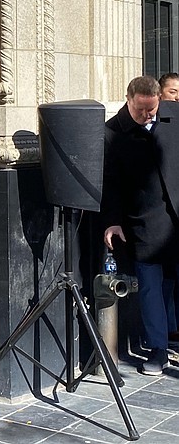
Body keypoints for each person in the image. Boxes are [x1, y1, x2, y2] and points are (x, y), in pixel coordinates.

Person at [102, 75, 179, 375]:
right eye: (141, 110)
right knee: (150, 286)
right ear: (128, 100)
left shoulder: (173, 115)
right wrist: (112, 222)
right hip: (144, 220)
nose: (148, 116)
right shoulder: (112, 132)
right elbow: (111, 183)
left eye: (152, 109)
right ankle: (158, 348)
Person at [159, 72, 179, 347]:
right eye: (173, 91)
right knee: (165, 277)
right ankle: (167, 328)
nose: (178, 97)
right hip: (162, 217)